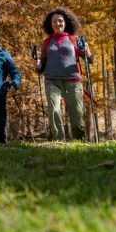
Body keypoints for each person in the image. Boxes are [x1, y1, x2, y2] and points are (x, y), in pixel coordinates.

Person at [34, 8, 94, 141]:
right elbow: (41, 65)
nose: (57, 23)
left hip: (73, 81)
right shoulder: (47, 42)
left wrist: (87, 51)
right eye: (54, 21)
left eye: (60, 21)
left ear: (66, 22)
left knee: (77, 116)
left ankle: (80, 142)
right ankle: (59, 142)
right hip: (52, 81)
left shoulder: (75, 40)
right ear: (50, 24)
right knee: (54, 111)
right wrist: (38, 65)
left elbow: (90, 60)